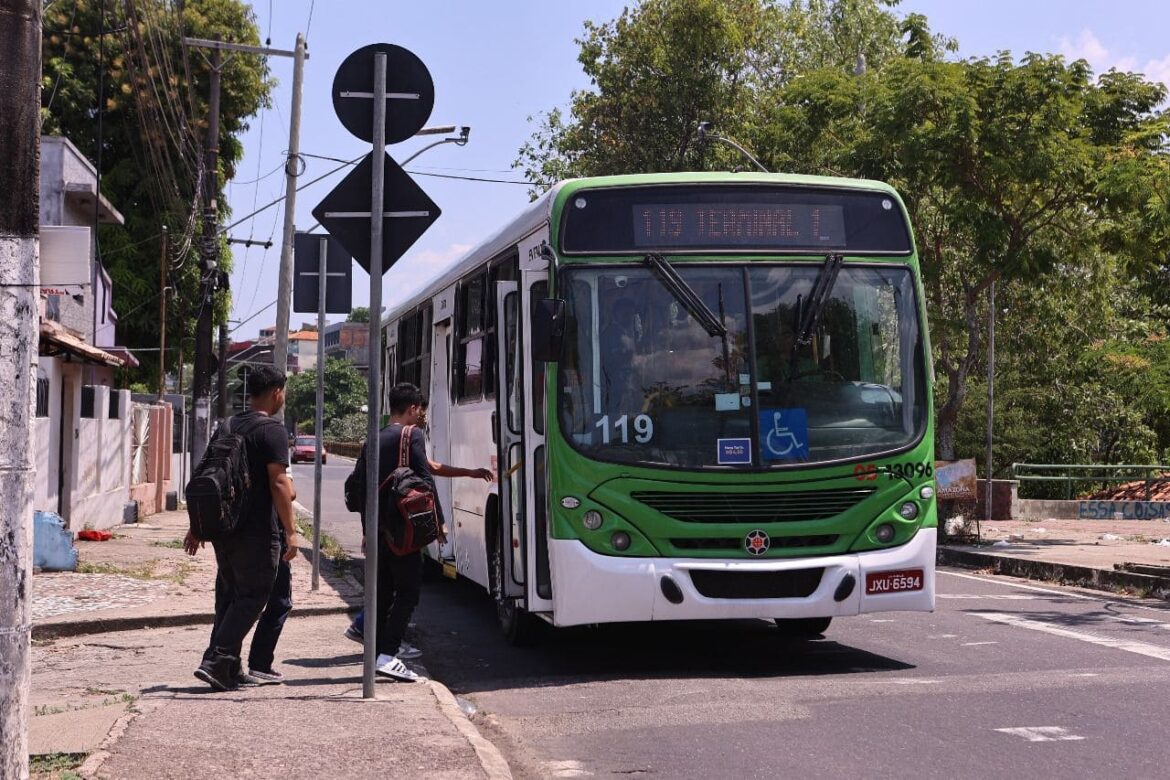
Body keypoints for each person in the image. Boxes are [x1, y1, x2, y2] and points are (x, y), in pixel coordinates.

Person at [345, 383, 492, 682]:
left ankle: (377, 655)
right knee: (409, 592)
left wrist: (366, 531)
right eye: (421, 411)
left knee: (384, 594)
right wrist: (437, 524)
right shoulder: (412, 434)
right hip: (403, 530)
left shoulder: (372, 438)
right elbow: (425, 481)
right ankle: (388, 653)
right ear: (412, 408)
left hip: (378, 530)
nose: (423, 417)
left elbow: (362, 489)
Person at [184, 365, 302, 691]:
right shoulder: (272, 431)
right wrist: (291, 532)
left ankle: (230, 669)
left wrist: (198, 526)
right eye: (284, 392)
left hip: (225, 530)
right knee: (252, 596)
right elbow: (280, 483)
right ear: (277, 391)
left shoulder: (228, 425)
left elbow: (206, 475)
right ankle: (217, 658)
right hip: (257, 531)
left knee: (230, 596)